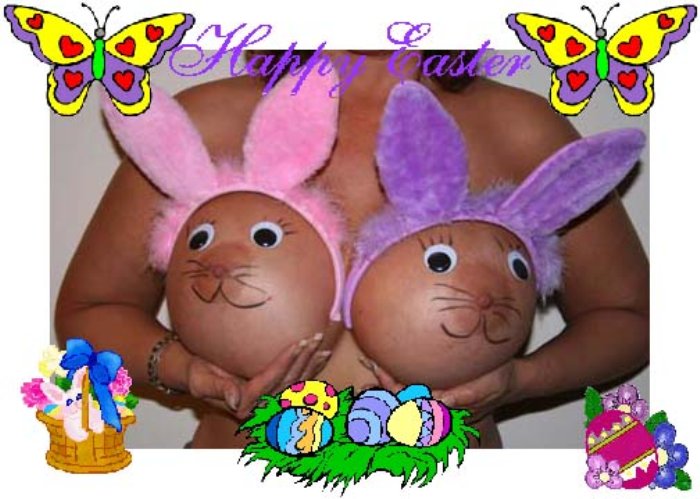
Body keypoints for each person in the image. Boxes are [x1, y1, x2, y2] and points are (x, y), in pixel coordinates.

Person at [55, 50, 649, 448]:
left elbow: (631, 317)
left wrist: (522, 381)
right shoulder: (208, 120)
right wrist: (186, 373)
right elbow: (91, 309)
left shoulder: (519, 127)